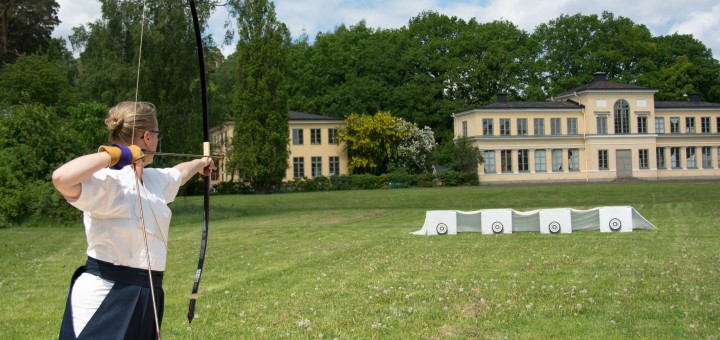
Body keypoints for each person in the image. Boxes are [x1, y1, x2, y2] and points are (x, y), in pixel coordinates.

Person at [52, 101, 216, 339]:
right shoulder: (108, 182)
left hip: (146, 294)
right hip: (106, 297)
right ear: (147, 137)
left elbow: (179, 174)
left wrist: (201, 163)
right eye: (156, 134)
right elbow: (61, 178)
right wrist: (119, 154)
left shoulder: (152, 180)